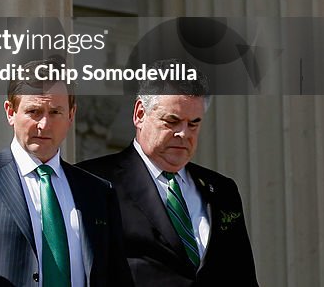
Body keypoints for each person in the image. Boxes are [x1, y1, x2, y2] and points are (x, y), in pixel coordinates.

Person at [0, 59, 132, 287]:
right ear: (10, 112)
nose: (44, 124)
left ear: (71, 115)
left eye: (55, 112)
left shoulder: (97, 192)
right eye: (33, 111)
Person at [77, 61, 258, 286]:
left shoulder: (222, 189)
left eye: (194, 124)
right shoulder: (92, 181)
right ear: (140, 114)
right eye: (172, 121)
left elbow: (243, 277)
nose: (183, 133)